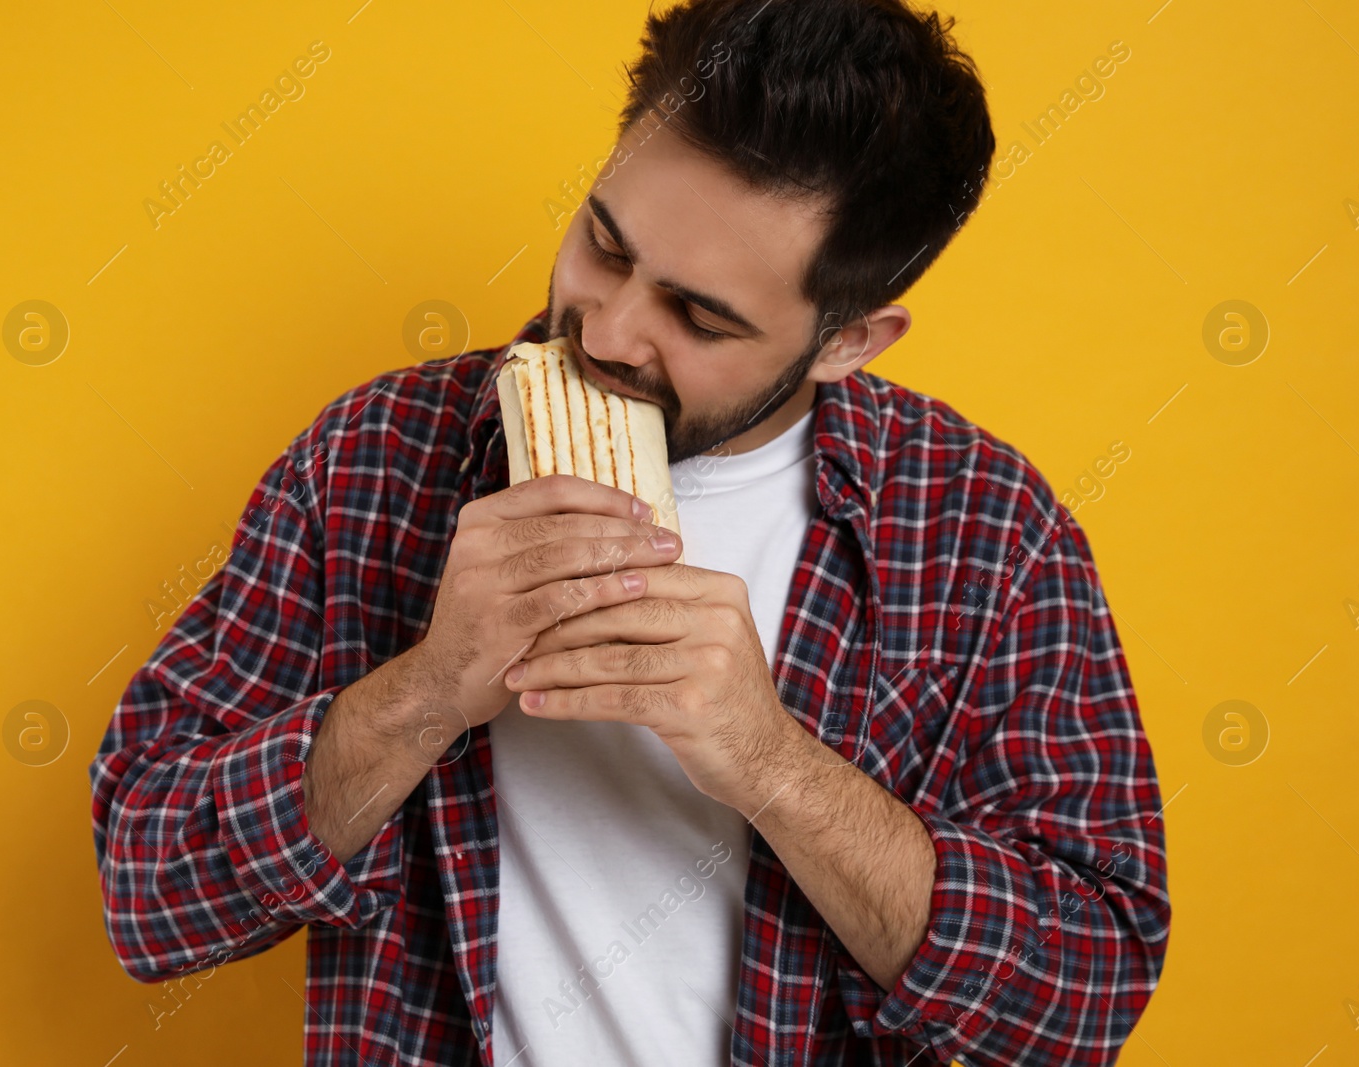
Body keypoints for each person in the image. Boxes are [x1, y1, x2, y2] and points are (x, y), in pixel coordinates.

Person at [89, 1, 1170, 1063]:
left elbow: (1081, 999)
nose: (605, 330)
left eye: (699, 317)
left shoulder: (986, 530)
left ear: (848, 341)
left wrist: (768, 761)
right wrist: (426, 691)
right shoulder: (379, 455)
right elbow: (148, 888)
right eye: (603, 245)